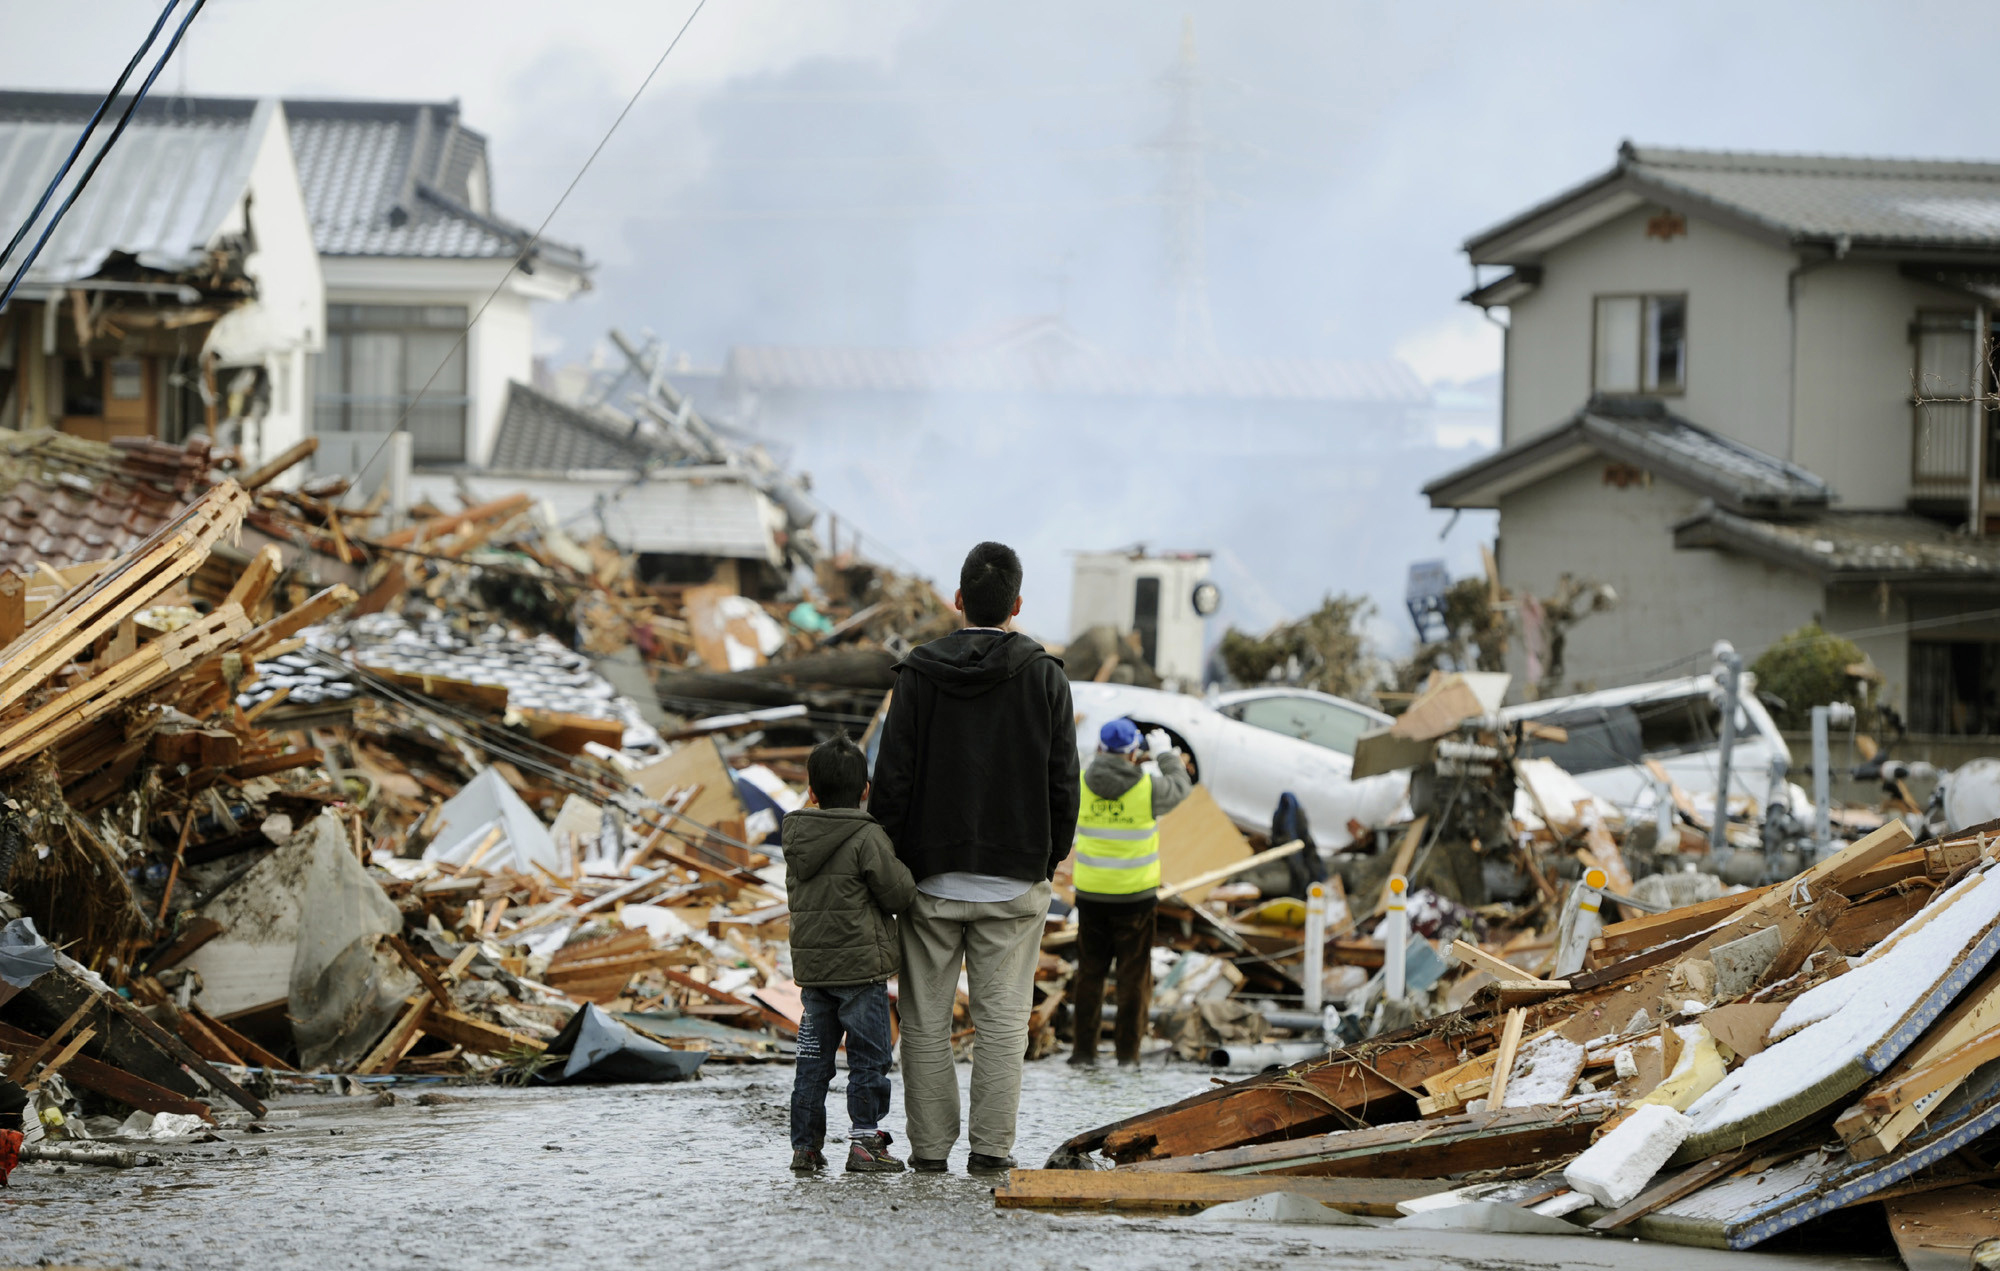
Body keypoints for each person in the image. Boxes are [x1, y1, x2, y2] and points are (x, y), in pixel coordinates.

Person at [869, 541, 1079, 1174]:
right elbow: (1063, 780)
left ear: (958, 600)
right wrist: (1048, 858)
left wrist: (892, 866)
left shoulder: (917, 676)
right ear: (1016, 605)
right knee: (1003, 1026)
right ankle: (991, 1153)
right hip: (1014, 883)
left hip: (930, 882)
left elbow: (892, 782)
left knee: (927, 1027)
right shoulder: (1046, 675)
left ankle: (929, 1153)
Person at [783, 731, 917, 1174]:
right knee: (868, 1060)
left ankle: (805, 1148)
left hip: (815, 974)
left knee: (812, 1063)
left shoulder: (797, 837)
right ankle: (864, 1143)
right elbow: (898, 895)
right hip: (861, 973)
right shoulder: (867, 837)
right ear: (865, 791)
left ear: (812, 791)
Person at [1067, 718, 1191, 1067]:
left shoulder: (1080, 784)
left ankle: (1083, 1053)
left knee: (1090, 974)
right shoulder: (1149, 788)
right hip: (1135, 900)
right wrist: (1166, 755)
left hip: (1091, 897)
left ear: (1102, 748)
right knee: (1133, 980)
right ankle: (1127, 1055)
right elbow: (1181, 787)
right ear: (1134, 752)